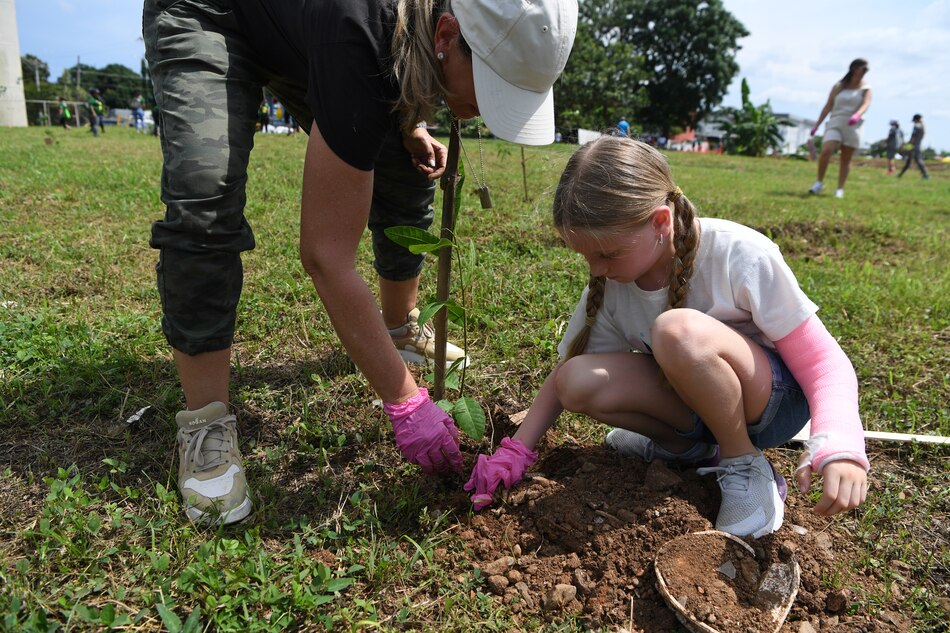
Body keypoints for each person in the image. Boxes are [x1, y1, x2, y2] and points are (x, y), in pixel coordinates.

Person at [143, 0, 578, 525]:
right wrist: (406, 403)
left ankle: (398, 328)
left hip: (308, 31)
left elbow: (385, 64)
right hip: (212, 12)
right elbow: (326, 255)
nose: (487, 109)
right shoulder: (362, 32)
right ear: (445, 33)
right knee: (204, 199)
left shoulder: (402, 34)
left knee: (401, 157)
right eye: (489, 86)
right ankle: (206, 423)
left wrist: (404, 117)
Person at [465, 136, 870, 539]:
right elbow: (564, 380)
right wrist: (516, 452)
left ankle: (743, 462)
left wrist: (840, 444)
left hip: (770, 408)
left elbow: (824, 364)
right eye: (586, 256)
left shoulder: (738, 254)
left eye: (607, 254)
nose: (596, 268)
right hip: (694, 407)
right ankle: (687, 448)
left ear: (660, 222)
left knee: (675, 331)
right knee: (576, 379)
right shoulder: (612, 284)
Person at [807, 59, 871, 199]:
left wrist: (857, 115)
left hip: (853, 125)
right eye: (863, 69)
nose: (865, 73)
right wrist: (817, 125)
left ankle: (840, 188)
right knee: (826, 151)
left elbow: (866, 104)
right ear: (854, 68)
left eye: (867, 71)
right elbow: (828, 105)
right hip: (836, 121)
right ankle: (818, 183)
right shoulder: (839, 86)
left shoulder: (866, 89)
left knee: (845, 158)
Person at [897, 114, 930, 180]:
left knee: (917, 160)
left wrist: (908, 145)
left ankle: (926, 175)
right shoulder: (922, 126)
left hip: (913, 147)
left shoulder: (916, 126)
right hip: (918, 146)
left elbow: (913, 137)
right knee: (909, 160)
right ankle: (900, 174)